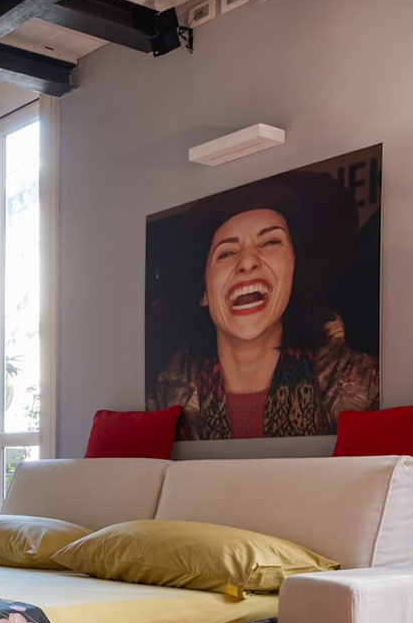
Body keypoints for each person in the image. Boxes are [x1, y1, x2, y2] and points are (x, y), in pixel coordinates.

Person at [148, 174, 377, 439]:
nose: (247, 262)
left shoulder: (369, 391)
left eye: (270, 242)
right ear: (203, 293)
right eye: (227, 253)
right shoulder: (160, 405)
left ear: (294, 273)